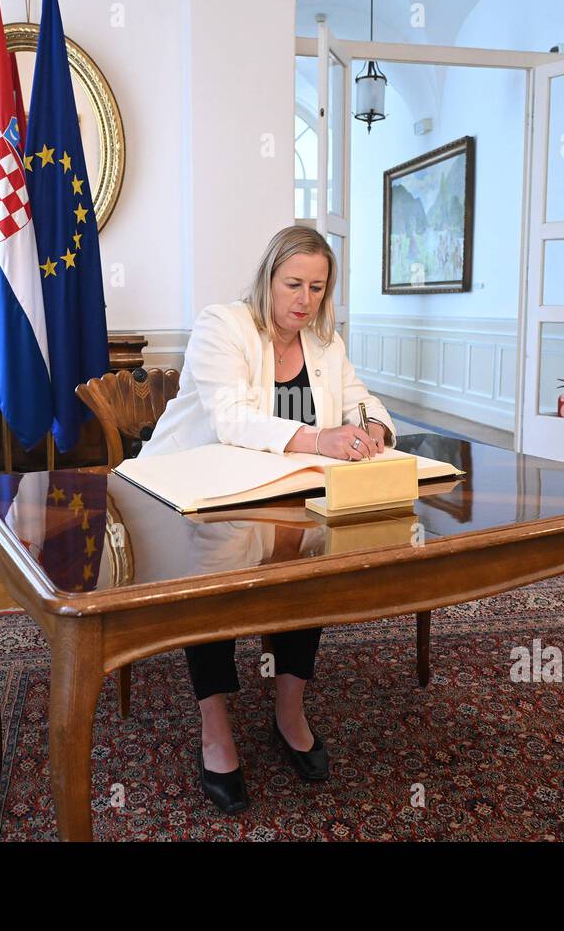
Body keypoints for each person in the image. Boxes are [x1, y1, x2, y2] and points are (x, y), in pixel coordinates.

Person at [138, 225, 395, 813]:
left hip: (287, 494)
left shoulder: (325, 344)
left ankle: (289, 709)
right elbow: (231, 420)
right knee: (213, 581)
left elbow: (360, 398)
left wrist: (373, 427)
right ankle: (216, 727)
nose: (304, 300)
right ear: (268, 279)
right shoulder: (223, 326)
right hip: (198, 489)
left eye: (317, 288)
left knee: (312, 571)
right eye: (293, 284)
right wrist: (318, 436)